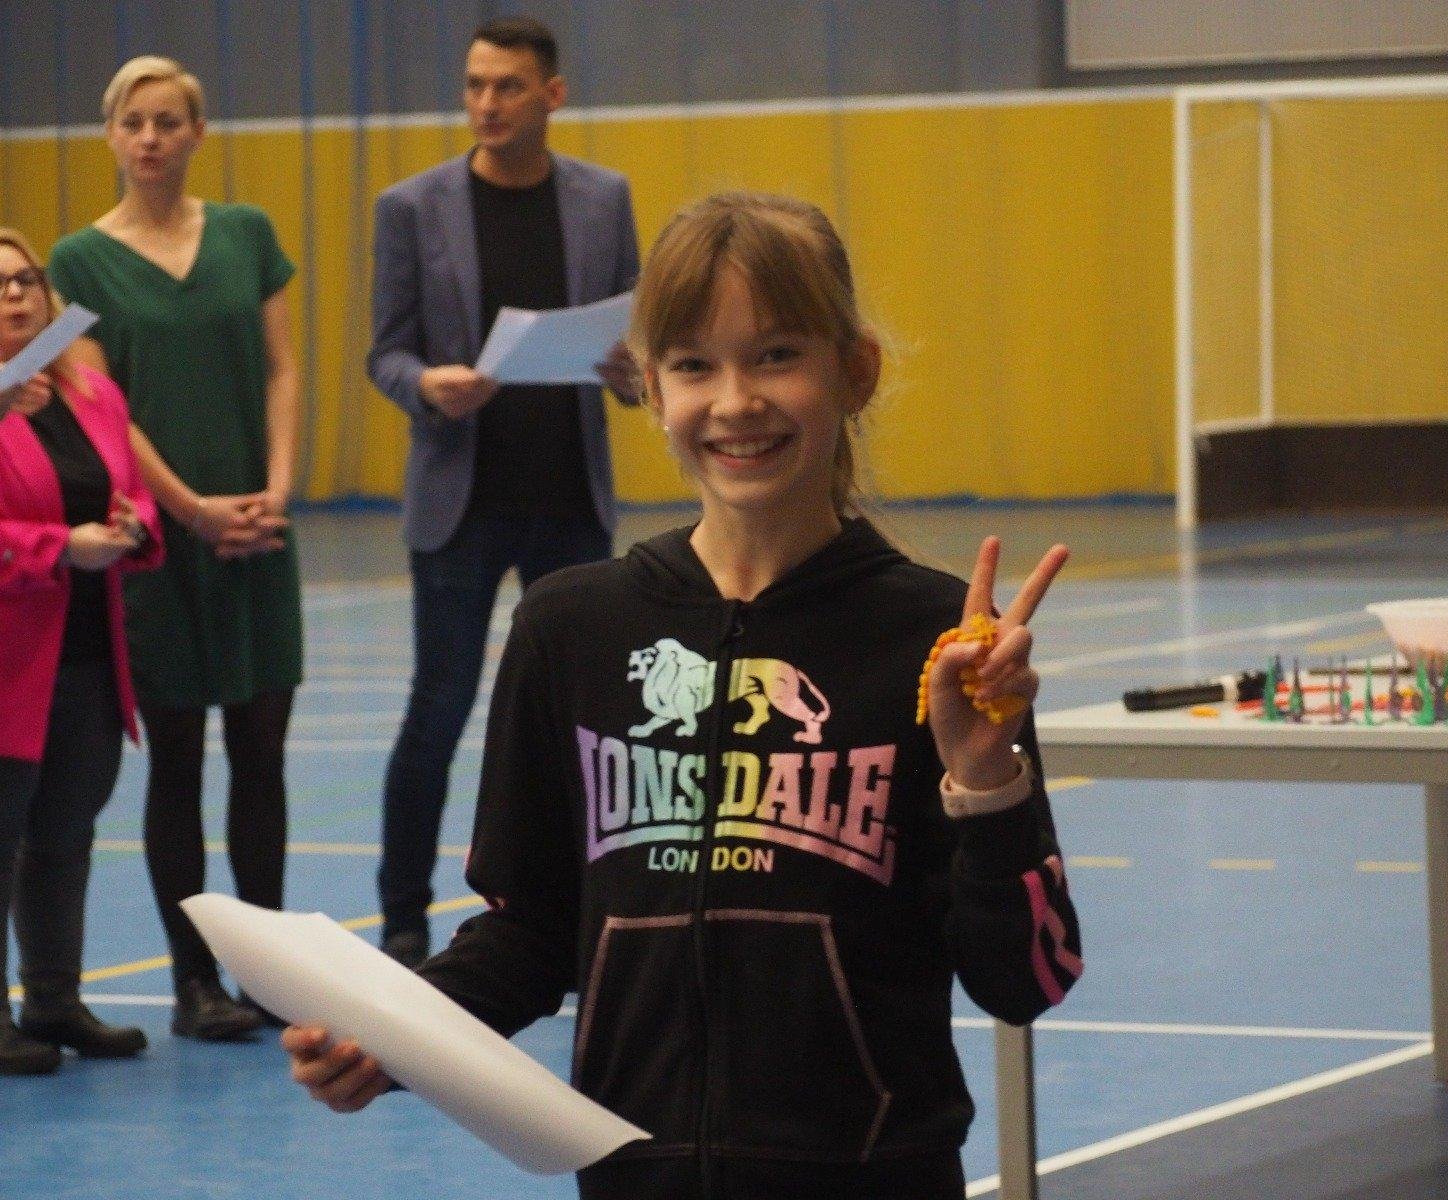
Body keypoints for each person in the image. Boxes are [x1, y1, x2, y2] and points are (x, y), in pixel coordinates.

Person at [285, 192, 1083, 1199]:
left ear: (855, 372)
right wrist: (391, 1035)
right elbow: (531, 932)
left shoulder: (942, 644)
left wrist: (984, 776)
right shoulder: (570, 628)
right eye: (695, 365)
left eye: (776, 355)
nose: (735, 402)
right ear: (649, 387)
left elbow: (1028, 978)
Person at [367, 16, 640, 966]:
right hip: (461, 502)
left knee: (586, 726)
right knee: (437, 711)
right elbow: (385, 352)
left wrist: (631, 368)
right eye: (476, 85)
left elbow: (636, 342)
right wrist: (426, 385)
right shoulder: (411, 206)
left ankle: (587, 912)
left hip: (570, 497)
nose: (487, 103)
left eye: (508, 87)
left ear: (551, 95)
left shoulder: (605, 200)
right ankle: (403, 917)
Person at [49, 55, 303, 1041]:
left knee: (262, 757)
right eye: (133, 122)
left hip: (259, 533)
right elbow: (99, 407)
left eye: (168, 121)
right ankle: (195, 984)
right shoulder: (78, 261)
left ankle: (272, 976)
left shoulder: (248, 235)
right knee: (181, 764)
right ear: (111, 136)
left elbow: (282, 369)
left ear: (197, 132)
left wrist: (274, 490)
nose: (150, 138)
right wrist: (193, 511)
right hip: (162, 540)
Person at [0, 228, 165, 1074]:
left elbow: (129, 490)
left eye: (25, 280)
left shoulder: (93, 392)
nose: (16, 296)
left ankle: (54, 1000)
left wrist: (134, 524)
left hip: (91, 652)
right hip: (9, 664)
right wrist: (59, 546)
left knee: (66, 831)